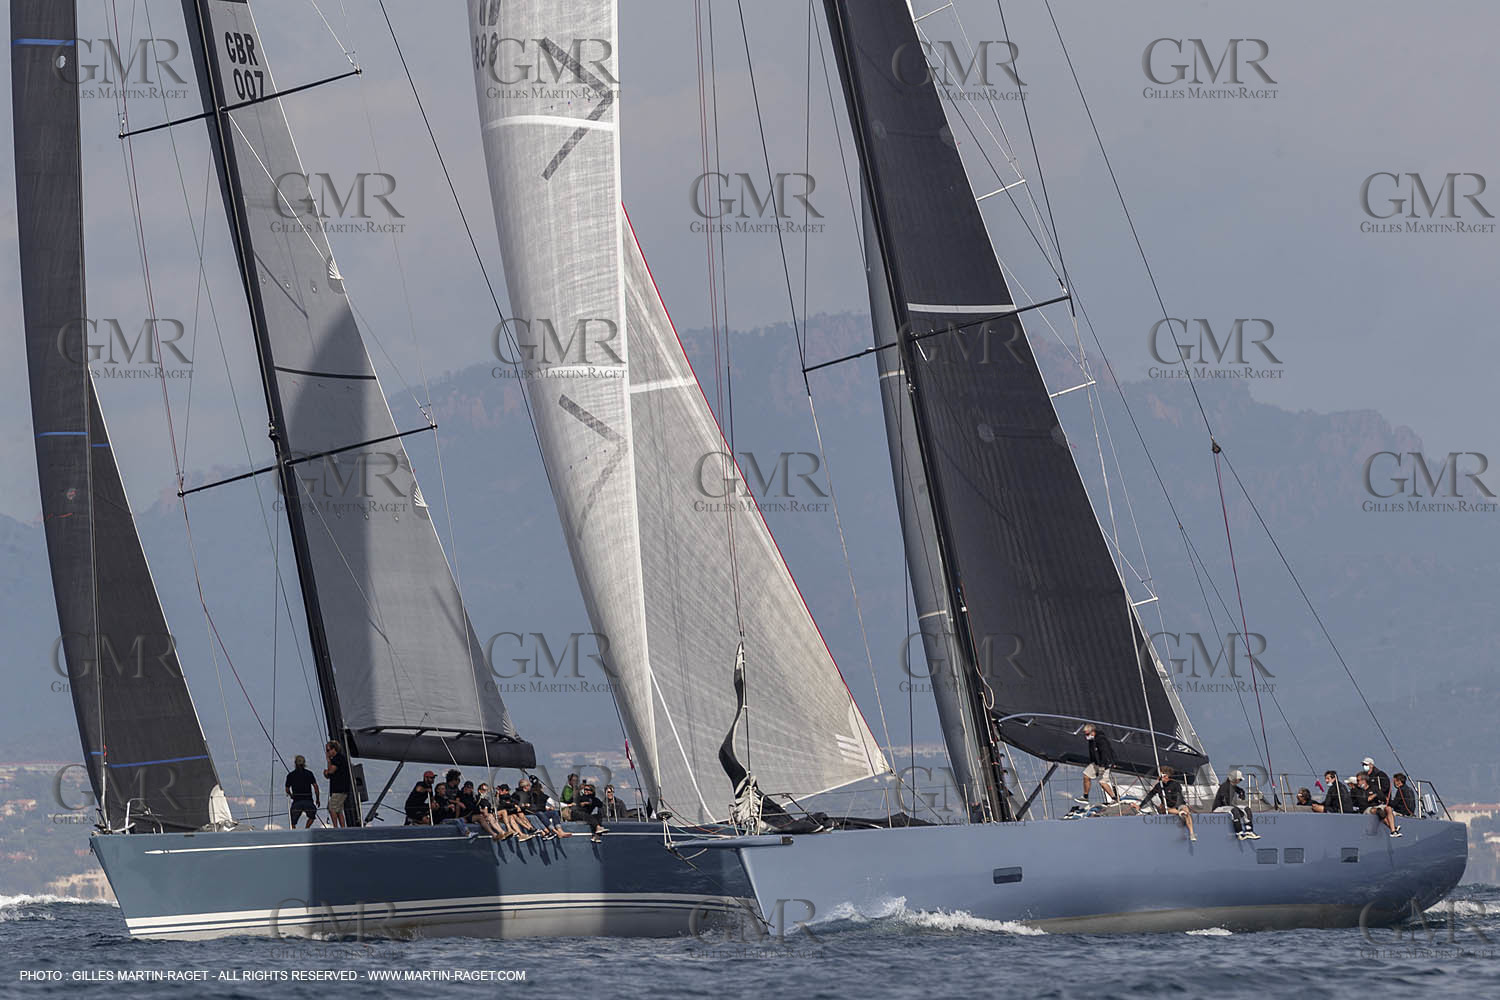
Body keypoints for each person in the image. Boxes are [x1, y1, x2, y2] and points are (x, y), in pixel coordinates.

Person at [1137, 765, 1195, 842]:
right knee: (1164, 808)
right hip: (1168, 807)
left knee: (1186, 811)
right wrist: (1140, 806)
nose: (1160, 777)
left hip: (1178, 804)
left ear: (1166, 776)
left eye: (1162, 775)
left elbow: (1179, 797)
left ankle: (1192, 833)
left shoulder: (1175, 784)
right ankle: (1180, 813)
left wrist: (1180, 807)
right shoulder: (1159, 786)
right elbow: (1150, 795)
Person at [1212, 768, 1259, 840]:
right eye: (1239, 780)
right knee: (1234, 810)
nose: (1239, 781)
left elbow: (1240, 790)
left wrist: (1242, 794)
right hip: (1219, 807)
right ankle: (1239, 833)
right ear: (1235, 779)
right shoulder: (1224, 786)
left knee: (1246, 809)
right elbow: (1224, 800)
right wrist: (1237, 810)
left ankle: (1249, 831)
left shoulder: (1233, 786)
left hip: (1228, 806)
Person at [1077, 724, 1117, 804]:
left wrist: (1103, 766)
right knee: (1086, 775)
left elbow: (1105, 753)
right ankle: (1085, 797)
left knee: (1102, 782)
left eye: (1087, 734)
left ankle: (1114, 799)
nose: (1086, 736)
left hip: (1104, 764)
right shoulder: (1092, 740)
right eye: (1085, 734)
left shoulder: (1101, 740)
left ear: (1093, 732)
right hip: (1096, 763)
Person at [1356, 773, 1401, 837]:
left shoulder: (1374, 788)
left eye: (1358, 780)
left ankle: (1393, 831)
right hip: (1367, 808)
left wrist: (1376, 795)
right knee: (1379, 811)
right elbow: (1363, 802)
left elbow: (1382, 797)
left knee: (1388, 808)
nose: (1357, 782)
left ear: (1364, 780)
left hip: (1377, 805)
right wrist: (1370, 797)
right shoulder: (1358, 791)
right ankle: (1392, 827)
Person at [285, 754, 320, 829]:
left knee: (293, 821)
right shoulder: (309, 773)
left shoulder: (290, 775)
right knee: (312, 816)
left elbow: (287, 789)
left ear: (295, 764)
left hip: (297, 801)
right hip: (308, 800)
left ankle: (294, 831)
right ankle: (306, 828)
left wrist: (291, 795)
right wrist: (317, 799)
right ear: (304, 764)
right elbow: (316, 787)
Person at [323, 740, 352, 828]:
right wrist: (327, 772)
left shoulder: (337, 759)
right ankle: (342, 827)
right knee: (338, 809)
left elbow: (331, 771)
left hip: (339, 788)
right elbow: (329, 775)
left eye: (328, 750)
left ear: (334, 749)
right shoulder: (340, 758)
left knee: (331, 807)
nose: (327, 753)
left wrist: (328, 761)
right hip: (342, 788)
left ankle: (336, 827)